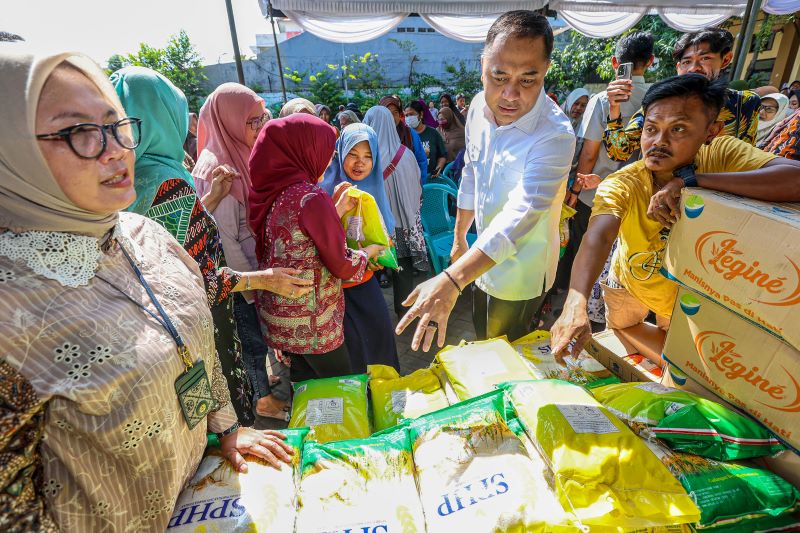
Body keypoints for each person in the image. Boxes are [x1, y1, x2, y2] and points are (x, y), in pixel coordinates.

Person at [0, 49, 294, 531]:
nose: (116, 150)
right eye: (80, 133)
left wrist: (222, 430)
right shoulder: (11, 303)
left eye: (118, 125)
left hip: (200, 502)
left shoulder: (144, 235)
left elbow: (188, 346)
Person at [551, 74, 800, 364]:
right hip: (631, 284)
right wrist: (575, 301)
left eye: (678, 129)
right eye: (651, 129)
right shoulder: (623, 183)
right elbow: (599, 236)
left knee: (682, 357)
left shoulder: (721, 155)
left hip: (685, 296)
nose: (659, 142)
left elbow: (794, 179)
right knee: (620, 333)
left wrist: (692, 181)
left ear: (711, 132)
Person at [112, 69, 311, 425]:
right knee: (223, 418)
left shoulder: (131, 176)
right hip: (194, 319)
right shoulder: (166, 180)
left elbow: (169, 240)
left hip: (151, 325)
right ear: (166, 117)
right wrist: (263, 280)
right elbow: (193, 271)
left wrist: (210, 198)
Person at [396, 11, 575, 350]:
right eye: (499, 76)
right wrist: (460, 239)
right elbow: (472, 173)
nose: (509, 95)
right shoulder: (478, 107)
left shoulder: (554, 135)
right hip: (479, 258)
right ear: (482, 65)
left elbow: (523, 214)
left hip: (521, 270)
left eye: (527, 80)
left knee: (509, 352)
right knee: (483, 339)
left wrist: (452, 278)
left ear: (545, 72)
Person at [193, 83, 305, 422]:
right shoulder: (218, 168)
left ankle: (261, 386)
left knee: (256, 340)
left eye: (263, 118)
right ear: (228, 120)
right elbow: (226, 239)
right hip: (241, 280)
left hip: (252, 270)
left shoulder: (240, 152)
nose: (261, 128)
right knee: (252, 343)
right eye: (252, 121)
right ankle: (262, 402)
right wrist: (256, 288)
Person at [248, 114, 383, 382]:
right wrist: (370, 251)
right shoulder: (311, 196)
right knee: (340, 387)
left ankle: (308, 425)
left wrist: (332, 209)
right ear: (305, 150)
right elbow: (342, 265)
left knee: (304, 387)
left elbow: (299, 242)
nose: (328, 159)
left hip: (280, 319)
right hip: (314, 325)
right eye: (325, 151)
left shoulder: (274, 192)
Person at [559, 32, 655, 328]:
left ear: (615, 62)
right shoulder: (657, 97)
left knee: (586, 255)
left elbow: (589, 153)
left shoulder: (603, 100)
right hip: (642, 199)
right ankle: (616, 319)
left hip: (596, 194)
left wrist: (575, 188)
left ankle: (576, 313)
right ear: (650, 62)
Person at [604, 28, 762, 162]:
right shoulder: (660, 103)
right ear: (679, 67)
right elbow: (619, 152)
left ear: (725, 59)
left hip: (714, 194)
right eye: (687, 62)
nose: (694, 68)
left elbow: (745, 160)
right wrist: (614, 107)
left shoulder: (745, 103)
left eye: (705, 58)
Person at [337, 123, 401, 371]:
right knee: (351, 347)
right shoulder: (330, 189)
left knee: (379, 339)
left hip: (365, 280)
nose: (360, 163)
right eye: (353, 154)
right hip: (338, 287)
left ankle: (385, 395)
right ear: (341, 152)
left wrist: (380, 256)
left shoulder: (376, 189)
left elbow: (385, 237)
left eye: (368, 156)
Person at [363, 106, 429, 315]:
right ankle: (404, 310)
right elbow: (418, 186)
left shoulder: (368, 159)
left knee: (371, 270)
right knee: (403, 269)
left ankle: (374, 315)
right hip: (405, 224)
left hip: (377, 229)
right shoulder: (406, 153)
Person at [380, 95, 428, 181]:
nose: (392, 117)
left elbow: (421, 161)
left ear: (399, 114)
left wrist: (420, 184)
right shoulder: (376, 136)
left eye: (395, 112)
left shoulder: (410, 134)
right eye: (388, 113)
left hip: (409, 185)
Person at [405, 100, 447, 178]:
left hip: (431, 178)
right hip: (411, 180)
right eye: (406, 115)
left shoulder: (433, 133)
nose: (408, 118)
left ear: (421, 114)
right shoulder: (404, 136)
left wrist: (438, 168)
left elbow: (442, 155)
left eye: (411, 114)